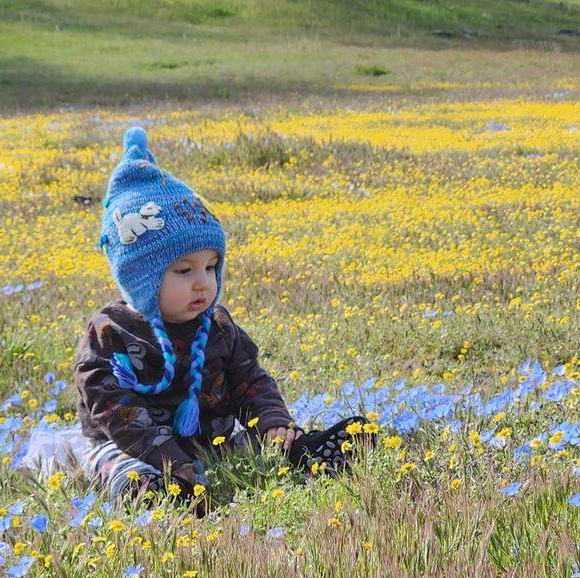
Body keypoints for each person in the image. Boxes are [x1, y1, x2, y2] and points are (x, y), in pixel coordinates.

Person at [73, 126, 370, 507]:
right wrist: (168, 462)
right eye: (185, 271)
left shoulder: (217, 325)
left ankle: (306, 453)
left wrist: (272, 421)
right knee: (118, 468)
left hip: (209, 442)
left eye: (212, 267)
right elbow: (117, 413)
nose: (204, 283)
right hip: (135, 447)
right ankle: (158, 495)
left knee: (259, 445)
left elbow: (251, 381)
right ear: (139, 278)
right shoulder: (110, 335)